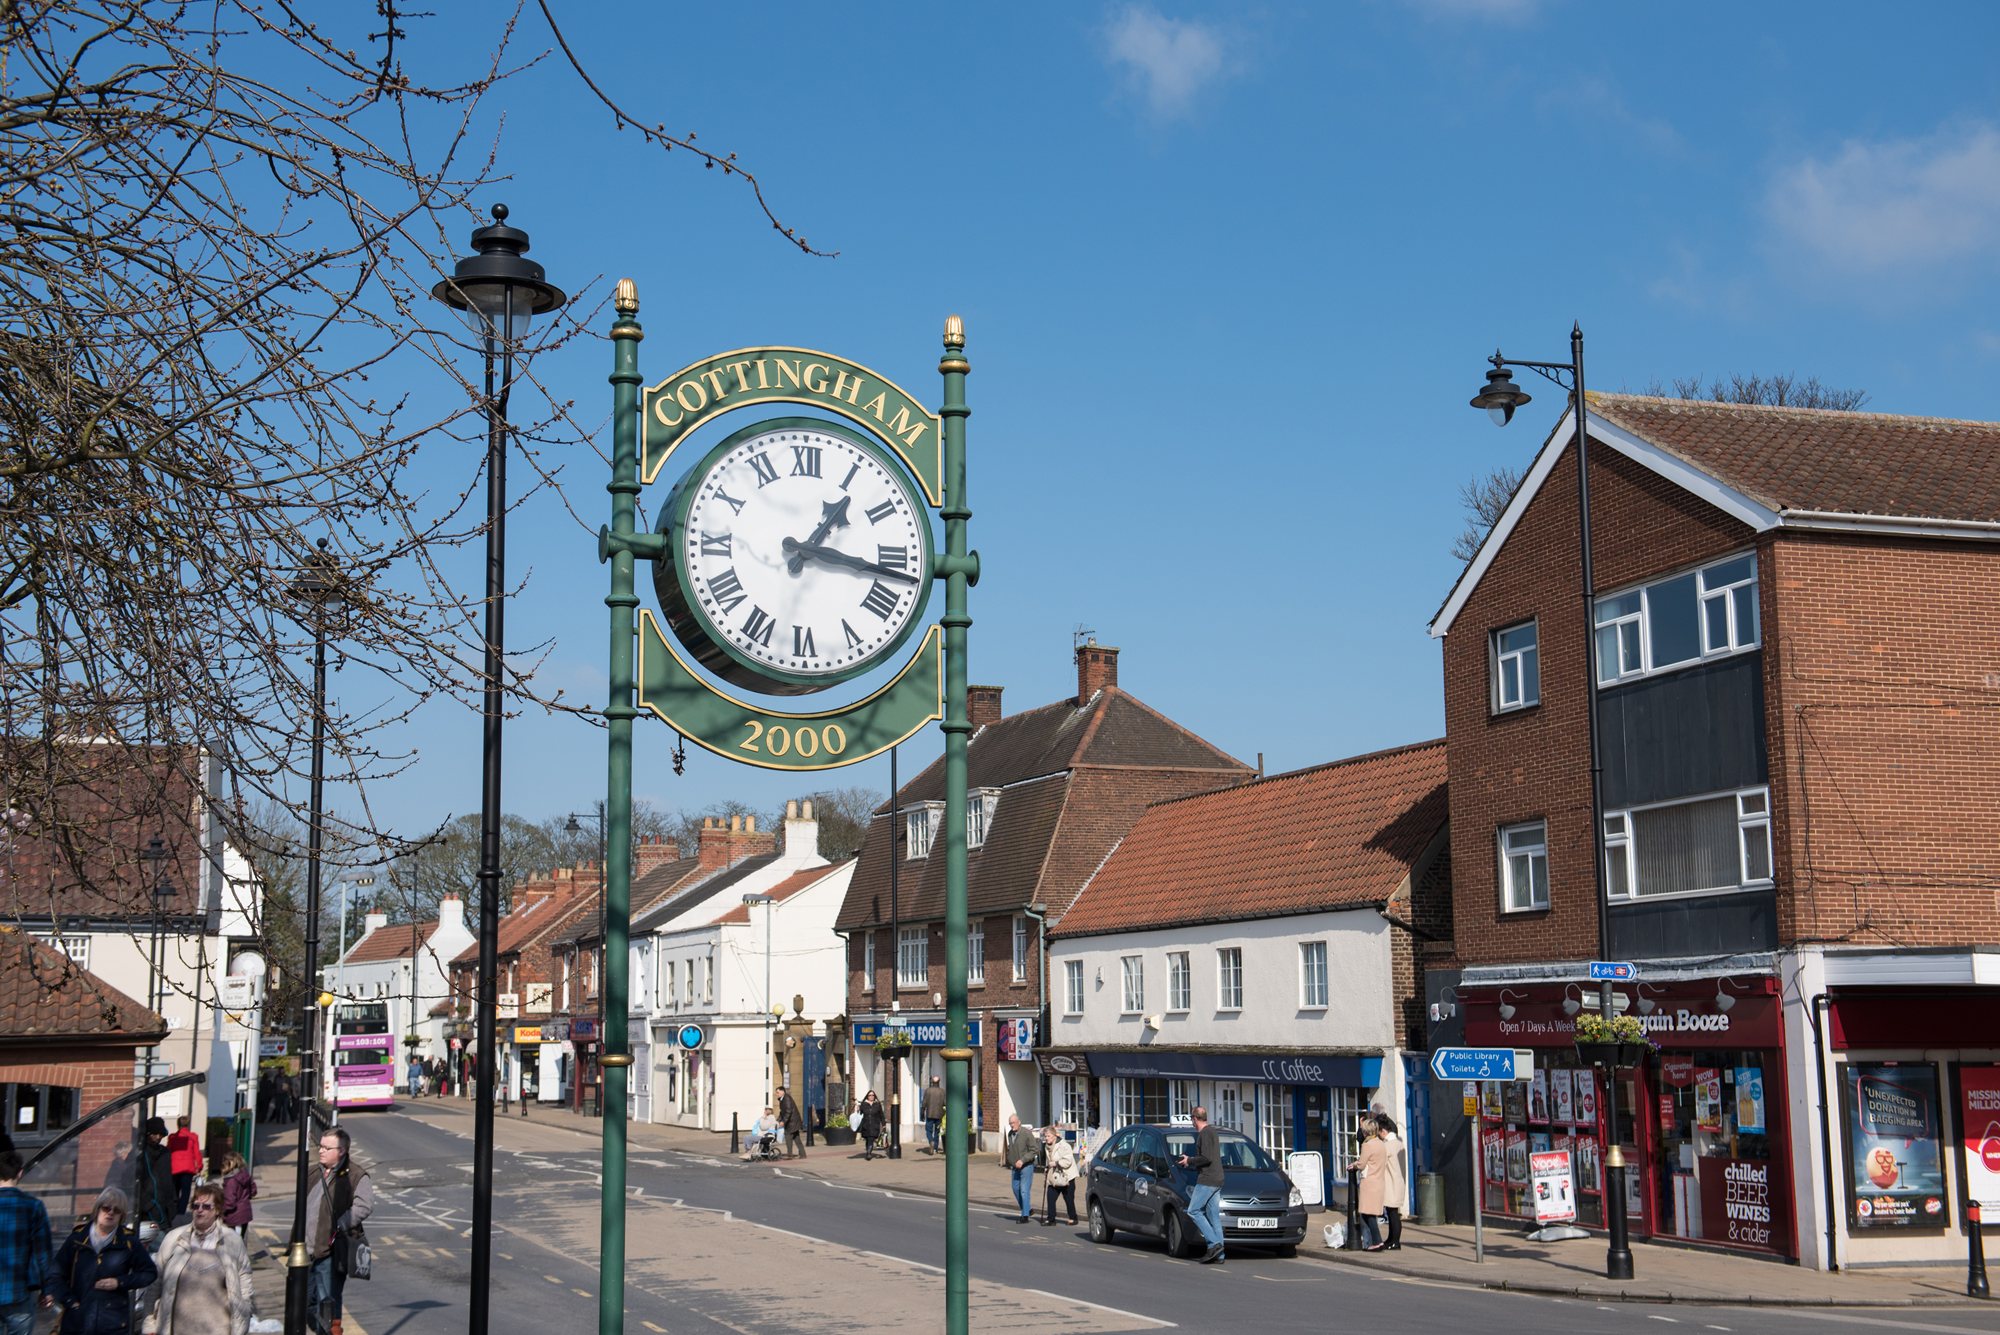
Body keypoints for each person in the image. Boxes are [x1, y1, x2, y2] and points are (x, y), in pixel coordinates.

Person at [48, 1188, 157, 1335]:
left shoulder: (128, 1242)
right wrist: (70, 1301)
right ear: (97, 1209)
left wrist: (119, 1282)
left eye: (116, 1210)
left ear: (122, 1215)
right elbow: (55, 1275)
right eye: (106, 1208)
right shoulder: (77, 1239)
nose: (110, 1212)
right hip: (77, 1322)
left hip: (113, 1322)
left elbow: (149, 1273)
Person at [152, 1182, 252, 1335]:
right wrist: (150, 1326)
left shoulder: (232, 1241)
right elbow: (155, 1283)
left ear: (217, 1210)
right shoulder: (174, 1239)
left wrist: (242, 1320)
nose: (199, 1210)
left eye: (206, 1207)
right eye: (196, 1206)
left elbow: (245, 1283)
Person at [303, 1127, 373, 1335]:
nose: (321, 1151)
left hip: (331, 1250)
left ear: (341, 1151)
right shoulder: (315, 1171)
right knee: (307, 1300)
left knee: (328, 1300)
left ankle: (330, 1331)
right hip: (307, 1250)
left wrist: (340, 1225)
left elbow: (364, 1206)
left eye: (326, 1147)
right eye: (320, 1146)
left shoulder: (355, 1175)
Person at [0, 1149, 55, 1335]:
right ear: (20, 1173)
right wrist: (47, 1289)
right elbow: (43, 1254)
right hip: (19, 1293)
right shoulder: (33, 1207)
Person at [1175, 1105, 1227, 1264]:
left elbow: (1206, 1158)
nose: (1192, 1121)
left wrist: (1188, 1160)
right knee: (1213, 1216)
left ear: (1195, 1119)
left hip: (1207, 1179)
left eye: (1192, 1118)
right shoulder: (1212, 1132)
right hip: (1218, 1178)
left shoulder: (1204, 1134)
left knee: (1193, 1210)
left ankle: (1214, 1244)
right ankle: (1219, 1255)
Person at [1351, 1116, 1387, 1251]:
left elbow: (1361, 1164)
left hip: (1369, 1183)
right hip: (1379, 1182)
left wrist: (1353, 1165)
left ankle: (1377, 1242)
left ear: (1367, 1131)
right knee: (1368, 1213)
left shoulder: (1367, 1145)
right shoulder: (1381, 1143)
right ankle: (1371, 1242)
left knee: (1368, 1213)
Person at [137, 1119, 178, 1235]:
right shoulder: (140, 1153)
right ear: (148, 1134)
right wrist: (148, 1205)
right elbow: (133, 1182)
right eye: (155, 1134)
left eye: (161, 1134)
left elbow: (169, 1180)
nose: (158, 1137)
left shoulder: (165, 1153)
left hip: (165, 1207)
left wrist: (173, 1203)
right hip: (148, 1210)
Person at [1039, 1127, 1079, 1227]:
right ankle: (1051, 1219)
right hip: (1054, 1177)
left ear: (1054, 1136)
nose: (1046, 1138)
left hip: (1067, 1176)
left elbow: (1068, 1162)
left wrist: (1056, 1163)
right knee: (1050, 1197)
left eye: (1048, 1136)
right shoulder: (1047, 1147)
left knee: (1069, 1199)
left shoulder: (1064, 1146)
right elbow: (1048, 1161)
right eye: (1045, 1136)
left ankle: (1073, 1218)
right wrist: (1047, 1168)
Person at [1377, 1115, 1406, 1251]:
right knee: (1393, 1212)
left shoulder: (1387, 1146)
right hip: (1397, 1182)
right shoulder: (1399, 1144)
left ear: (1383, 1131)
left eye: (1379, 1133)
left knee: (1393, 1214)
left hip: (1391, 1183)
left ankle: (1395, 1242)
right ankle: (1391, 1239)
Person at [1002, 1115, 1037, 1223]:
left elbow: (1034, 1150)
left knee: (1024, 1190)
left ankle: (1025, 1216)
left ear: (1019, 1122)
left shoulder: (1027, 1133)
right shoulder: (1010, 1134)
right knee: (1015, 1188)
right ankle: (1028, 1209)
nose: (1012, 1125)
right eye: (1010, 1123)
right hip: (1015, 1167)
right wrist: (1010, 1160)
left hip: (1026, 1166)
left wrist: (1023, 1160)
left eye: (1013, 1122)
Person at [167, 1118, 202, 1219]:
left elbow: (169, 1150)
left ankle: (174, 1210)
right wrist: (199, 1167)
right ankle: (181, 1212)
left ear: (178, 1125)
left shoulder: (172, 1137)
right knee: (185, 1191)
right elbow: (197, 1153)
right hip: (188, 1168)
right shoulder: (193, 1137)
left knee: (175, 1190)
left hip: (175, 1168)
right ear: (188, 1124)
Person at [215, 1153, 255, 1238]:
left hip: (234, 1216)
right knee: (240, 1239)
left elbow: (230, 1201)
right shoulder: (246, 1175)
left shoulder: (231, 1181)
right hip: (245, 1214)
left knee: (234, 1242)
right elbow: (253, 1191)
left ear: (228, 1164)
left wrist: (220, 1211)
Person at [776, 1087, 805, 1160]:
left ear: (783, 1092)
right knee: (796, 1138)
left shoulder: (787, 1098)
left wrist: (783, 1121)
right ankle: (803, 1154)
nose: (777, 1094)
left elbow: (788, 1111)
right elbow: (782, 1112)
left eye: (778, 1092)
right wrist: (778, 1119)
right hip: (792, 1122)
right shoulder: (782, 1099)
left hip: (792, 1122)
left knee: (788, 1137)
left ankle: (790, 1155)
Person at [920, 1076, 946, 1154]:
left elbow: (924, 1103)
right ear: (939, 1082)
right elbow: (945, 1103)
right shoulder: (942, 1091)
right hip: (939, 1114)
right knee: (937, 1132)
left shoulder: (928, 1091)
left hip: (930, 1114)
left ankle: (931, 1141)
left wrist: (922, 1112)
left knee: (928, 1130)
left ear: (932, 1082)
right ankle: (935, 1148)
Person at [855, 1093, 885, 1162]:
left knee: (871, 1138)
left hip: (875, 1125)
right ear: (867, 1096)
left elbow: (881, 1115)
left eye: (873, 1095)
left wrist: (883, 1124)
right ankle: (868, 1151)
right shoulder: (864, 1104)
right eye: (870, 1095)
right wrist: (858, 1108)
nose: (871, 1096)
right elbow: (860, 1114)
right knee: (868, 1139)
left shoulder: (877, 1104)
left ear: (874, 1096)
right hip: (866, 1124)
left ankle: (868, 1153)